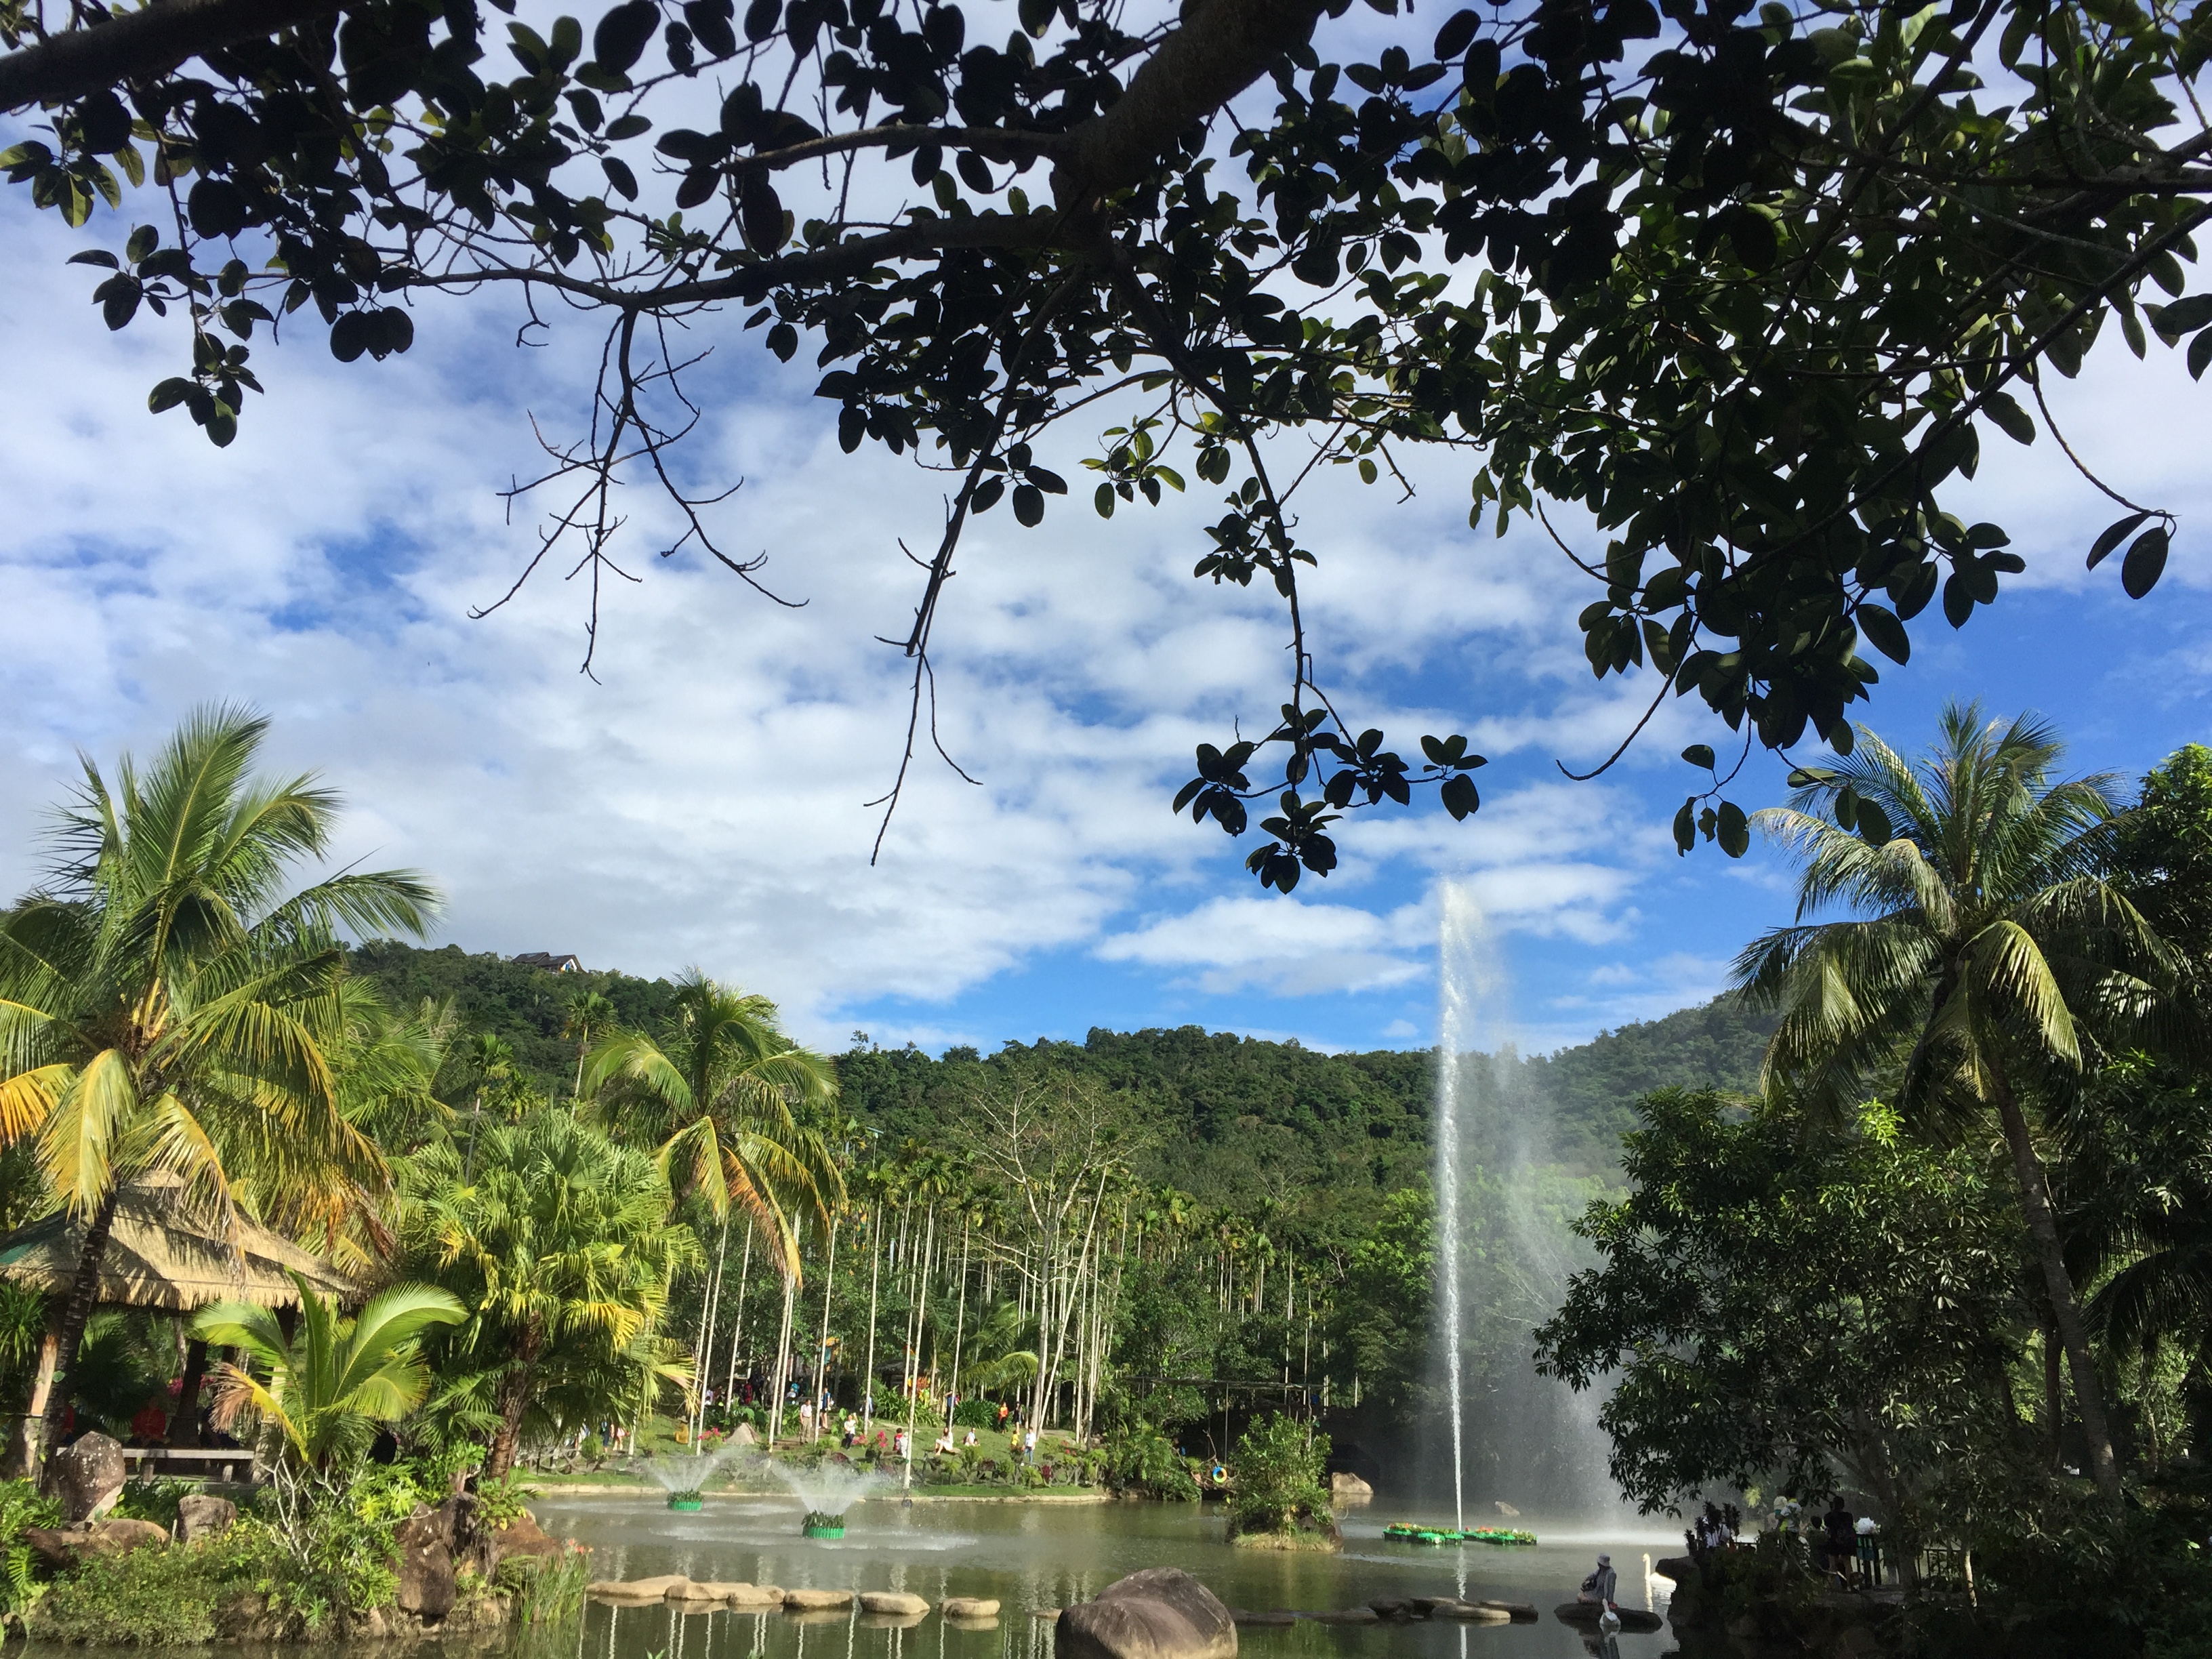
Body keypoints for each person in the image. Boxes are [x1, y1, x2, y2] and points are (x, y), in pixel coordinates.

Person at [1822, 1498, 1858, 1588]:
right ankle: (1851, 1585)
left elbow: (1827, 1524)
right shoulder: (1848, 1516)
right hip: (1845, 1542)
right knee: (1847, 1563)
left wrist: (1832, 1510)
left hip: (1833, 1541)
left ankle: (1830, 1586)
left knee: (1833, 1565)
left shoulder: (1829, 1516)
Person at [1577, 1553, 1619, 1622]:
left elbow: (1610, 1589)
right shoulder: (1600, 1571)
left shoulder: (1611, 1574)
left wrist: (1609, 1602)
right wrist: (1586, 1580)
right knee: (1580, 1596)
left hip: (1601, 1596)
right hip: (1595, 1592)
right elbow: (1593, 1575)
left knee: (1583, 1599)